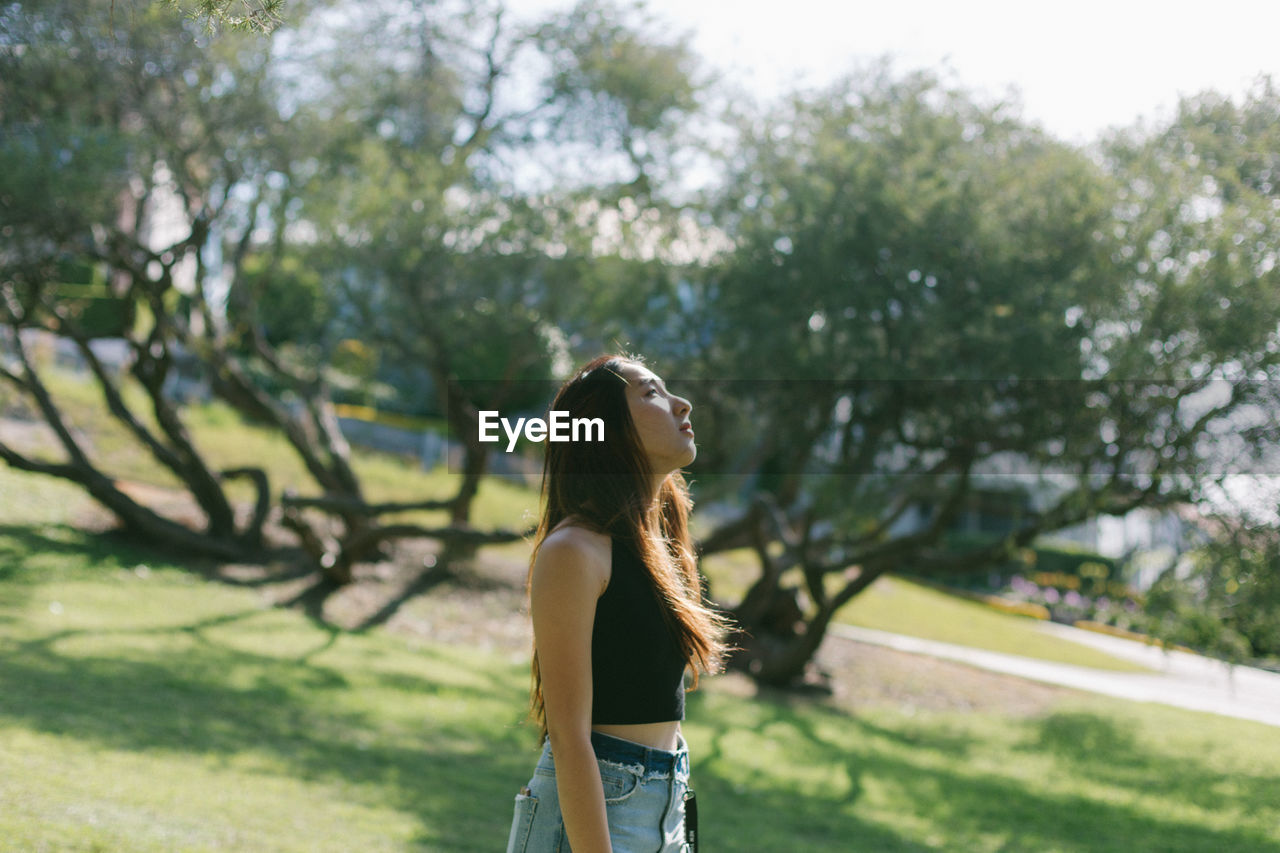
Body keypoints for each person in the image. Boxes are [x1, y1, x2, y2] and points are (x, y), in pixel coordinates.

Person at [505, 354, 731, 853]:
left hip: (666, 804)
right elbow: (568, 737)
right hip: (600, 816)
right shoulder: (574, 551)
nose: (681, 403)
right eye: (651, 393)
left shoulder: (659, 542)